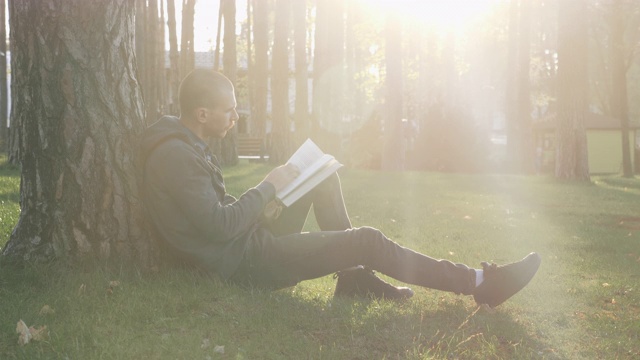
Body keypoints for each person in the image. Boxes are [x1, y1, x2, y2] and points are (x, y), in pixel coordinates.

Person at [140, 69, 541, 308]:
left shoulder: (186, 145)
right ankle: (478, 284)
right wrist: (266, 188)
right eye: (229, 110)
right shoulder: (175, 156)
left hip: (244, 244)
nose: (235, 116)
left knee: (320, 175)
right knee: (366, 239)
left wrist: (271, 201)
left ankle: (353, 280)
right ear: (202, 113)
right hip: (242, 265)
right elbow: (216, 226)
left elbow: (216, 217)